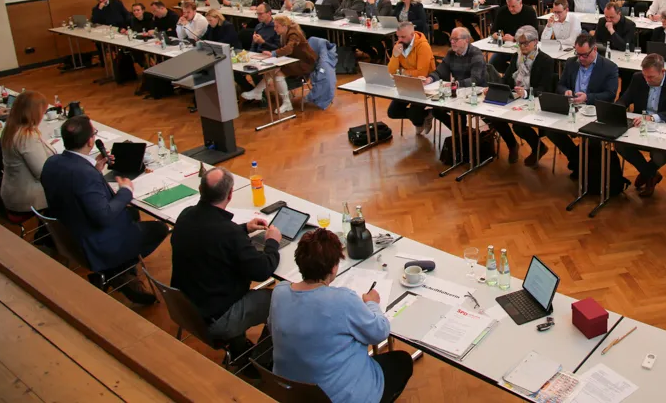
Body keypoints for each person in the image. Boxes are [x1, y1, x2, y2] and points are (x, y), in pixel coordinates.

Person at [270, 228, 413, 403]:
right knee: (402, 361)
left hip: (289, 391)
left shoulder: (279, 292)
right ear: (334, 267)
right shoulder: (342, 300)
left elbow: (273, 327)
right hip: (337, 396)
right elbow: (380, 332)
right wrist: (372, 304)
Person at [40, 115, 168, 305]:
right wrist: (125, 191)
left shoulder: (52, 162)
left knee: (132, 213)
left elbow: (73, 191)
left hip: (71, 232)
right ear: (91, 140)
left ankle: (122, 271)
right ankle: (119, 270)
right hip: (99, 244)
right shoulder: (84, 174)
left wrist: (96, 170)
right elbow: (104, 216)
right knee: (160, 228)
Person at [171, 168, 279, 363]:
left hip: (185, 307)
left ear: (200, 189)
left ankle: (239, 349)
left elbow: (207, 236)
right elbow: (263, 270)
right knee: (281, 303)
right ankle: (261, 361)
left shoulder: (186, 215)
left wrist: (244, 228)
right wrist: (272, 242)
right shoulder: (228, 233)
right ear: (230, 195)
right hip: (216, 318)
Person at [612, 52, 666, 199]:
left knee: (659, 155)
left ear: (663, 72)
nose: (647, 80)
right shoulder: (638, 78)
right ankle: (651, 174)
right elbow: (625, 99)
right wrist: (616, 111)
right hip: (639, 125)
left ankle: (647, 173)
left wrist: (653, 118)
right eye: (645, 76)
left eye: (651, 77)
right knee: (620, 144)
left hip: (665, 126)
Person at [546, 34, 619, 179]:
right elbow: (560, 85)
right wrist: (565, 91)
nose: (581, 59)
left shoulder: (609, 67)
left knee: (592, 139)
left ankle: (584, 167)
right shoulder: (571, 62)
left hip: (594, 111)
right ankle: (578, 161)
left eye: (584, 55)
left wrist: (587, 97)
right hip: (572, 107)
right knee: (551, 130)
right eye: (578, 54)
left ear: (595, 50)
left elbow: (610, 94)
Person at [489, 26, 556, 163]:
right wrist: (495, 88)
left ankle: (538, 147)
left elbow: (545, 88)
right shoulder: (516, 57)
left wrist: (526, 92)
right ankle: (512, 145)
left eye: (526, 43)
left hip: (533, 99)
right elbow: (506, 78)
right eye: (520, 43)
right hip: (515, 96)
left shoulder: (546, 60)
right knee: (494, 117)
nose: (523, 46)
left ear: (536, 42)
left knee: (518, 125)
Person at [245, 16, 317, 113]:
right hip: (293, 60)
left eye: (277, 27)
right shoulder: (285, 33)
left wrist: (274, 53)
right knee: (273, 69)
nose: (274, 29)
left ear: (284, 26)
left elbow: (288, 49)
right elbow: (283, 49)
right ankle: (259, 92)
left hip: (305, 63)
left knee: (278, 72)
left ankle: (284, 102)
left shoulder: (294, 34)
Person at [0, 90, 54, 214]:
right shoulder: (26, 136)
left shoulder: (10, 129)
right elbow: (43, 173)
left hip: (12, 193)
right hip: (29, 200)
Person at [422, 27, 487, 129]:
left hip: (476, 92)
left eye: (456, 39)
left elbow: (476, 79)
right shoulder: (451, 53)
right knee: (436, 110)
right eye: (451, 39)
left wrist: (457, 84)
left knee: (459, 112)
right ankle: (462, 134)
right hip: (458, 92)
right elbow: (440, 70)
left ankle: (462, 136)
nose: (452, 42)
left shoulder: (476, 53)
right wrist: (430, 79)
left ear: (466, 40)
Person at [386, 21, 434, 134]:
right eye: (398, 36)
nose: (400, 39)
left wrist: (402, 72)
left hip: (424, 85)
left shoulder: (423, 46)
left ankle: (418, 119)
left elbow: (422, 72)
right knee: (392, 112)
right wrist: (394, 56)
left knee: (414, 112)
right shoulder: (399, 45)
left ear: (412, 35)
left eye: (403, 37)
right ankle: (426, 116)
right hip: (406, 84)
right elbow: (392, 71)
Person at [490, 0, 538, 71]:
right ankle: (508, 77)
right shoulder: (502, 11)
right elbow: (494, 31)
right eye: (508, 6)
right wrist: (500, 36)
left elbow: (533, 35)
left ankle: (512, 76)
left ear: (520, 3)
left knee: (516, 64)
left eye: (513, 6)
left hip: (523, 48)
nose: (510, 9)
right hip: (505, 47)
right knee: (492, 64)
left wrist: (514, 39)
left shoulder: (530, 12)